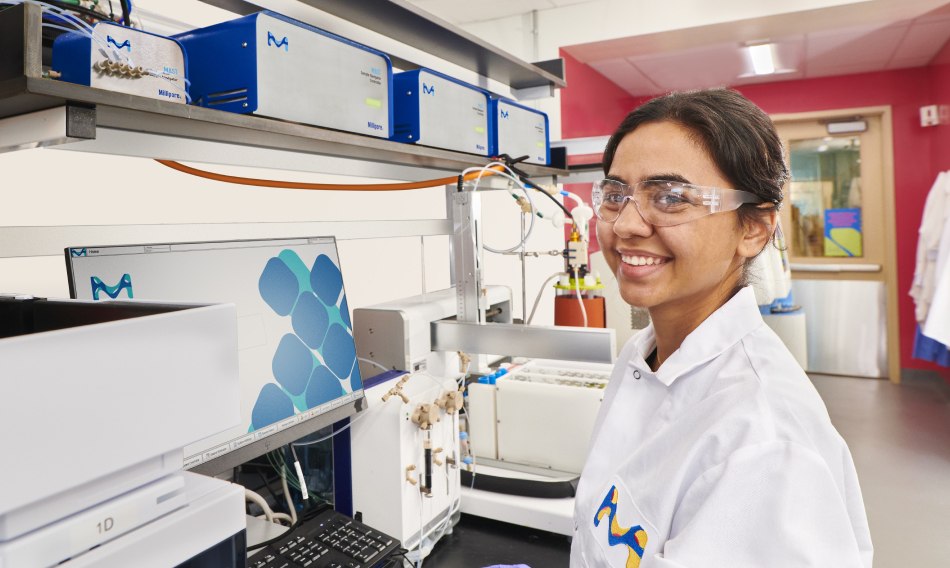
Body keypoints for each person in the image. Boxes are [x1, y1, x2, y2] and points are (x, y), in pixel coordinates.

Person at [570, 89, 873, 567]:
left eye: (670, 198)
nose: (626, 225)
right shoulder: (643, 353)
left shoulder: (764, 442)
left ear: (753, 229)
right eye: (615, 195)